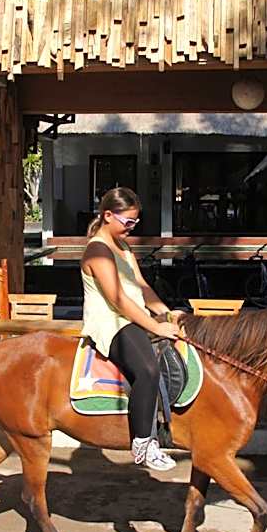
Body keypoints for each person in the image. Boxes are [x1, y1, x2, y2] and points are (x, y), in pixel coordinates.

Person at [80, 187, 181, 471]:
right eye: (128, 221)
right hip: (111, 322)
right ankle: (143, 442)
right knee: (147, 370)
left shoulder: (123, 248)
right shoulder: (97, 250)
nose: (132, 227)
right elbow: (118, 299)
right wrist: (156, 327)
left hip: (133, 317)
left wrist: (166, 313)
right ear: (107, 215)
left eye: (135, 222)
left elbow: (142, 287)